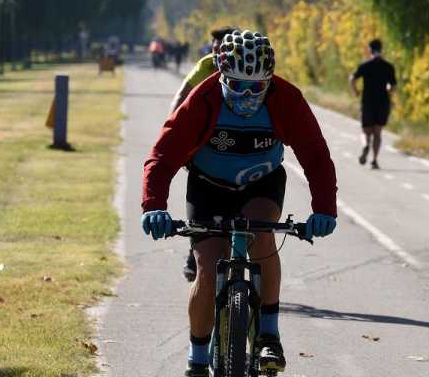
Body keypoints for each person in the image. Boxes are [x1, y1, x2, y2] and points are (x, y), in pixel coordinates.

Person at [141, 30, 338, 377]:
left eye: (256, 87)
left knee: (261, 236)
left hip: (261, 184)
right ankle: (197, 360)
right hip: (208, 186)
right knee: (207, 267)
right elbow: (163, 155)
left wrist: (324, 209)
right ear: (221, 75)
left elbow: (316, 156)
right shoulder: (203, 100)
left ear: (270, 81)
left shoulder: (286, 99)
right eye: (236, 86)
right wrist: (154, 205)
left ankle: (269, 336)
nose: (247, 96)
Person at [172, 26, 239, 283]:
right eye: (214, 48)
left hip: (236, 137)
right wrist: (174, 133)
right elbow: (181, 97)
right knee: (202, 201)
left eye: (223, 48)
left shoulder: (245, 67)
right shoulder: (206, 65)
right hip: (205, 135)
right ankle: (195, 250)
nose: (218, 53)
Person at [348, 38, 397, 169]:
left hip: (367, 102)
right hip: (383, 103)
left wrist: (356, 91)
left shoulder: (365, 65)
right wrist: (388, 92)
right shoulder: (388, 67)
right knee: (377, 132)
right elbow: (393, 86)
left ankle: (365, 146)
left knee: (366, 131)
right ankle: (374, 160)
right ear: (381, 49)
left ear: (370, 50)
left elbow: (352, 78)